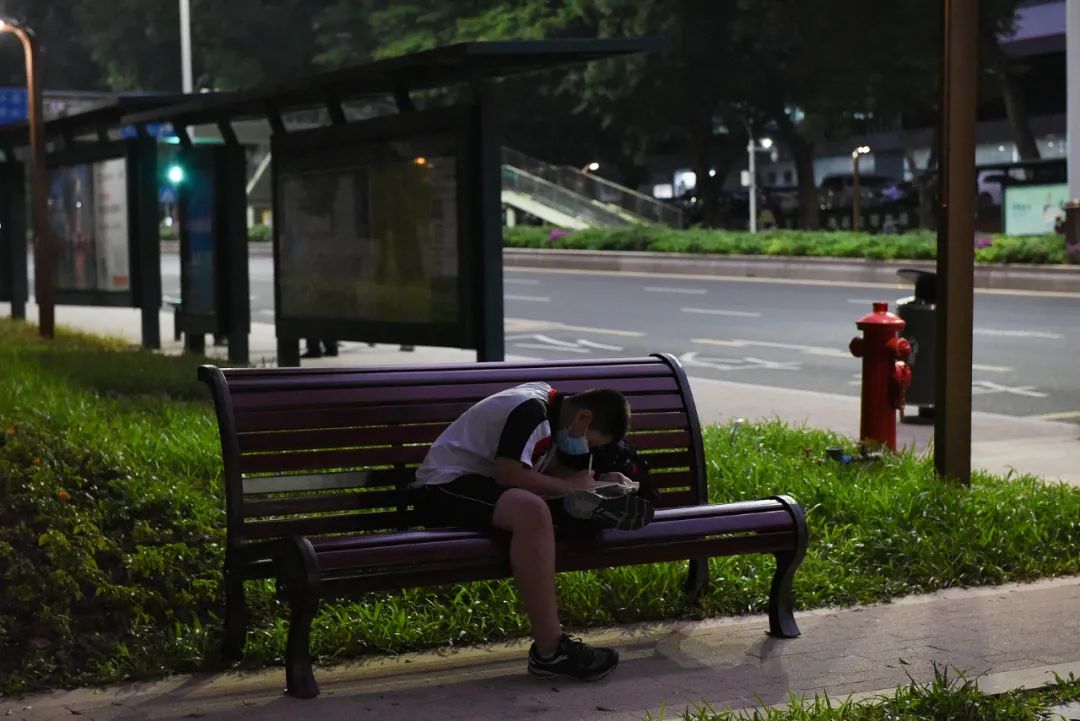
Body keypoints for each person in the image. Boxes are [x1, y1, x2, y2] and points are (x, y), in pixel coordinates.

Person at [409, 382, 653, 682]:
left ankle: (591, 506)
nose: (586, 449)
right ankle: (551, 652)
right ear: (583, 418)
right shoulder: (532, 410)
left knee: (548, 504)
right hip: (441, 488)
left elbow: (533, 472)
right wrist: (569, 486)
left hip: (480, 487)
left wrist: (599, 481)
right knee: (532, 510)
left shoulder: (552, 413)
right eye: (590, 443)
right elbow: (509, 473)